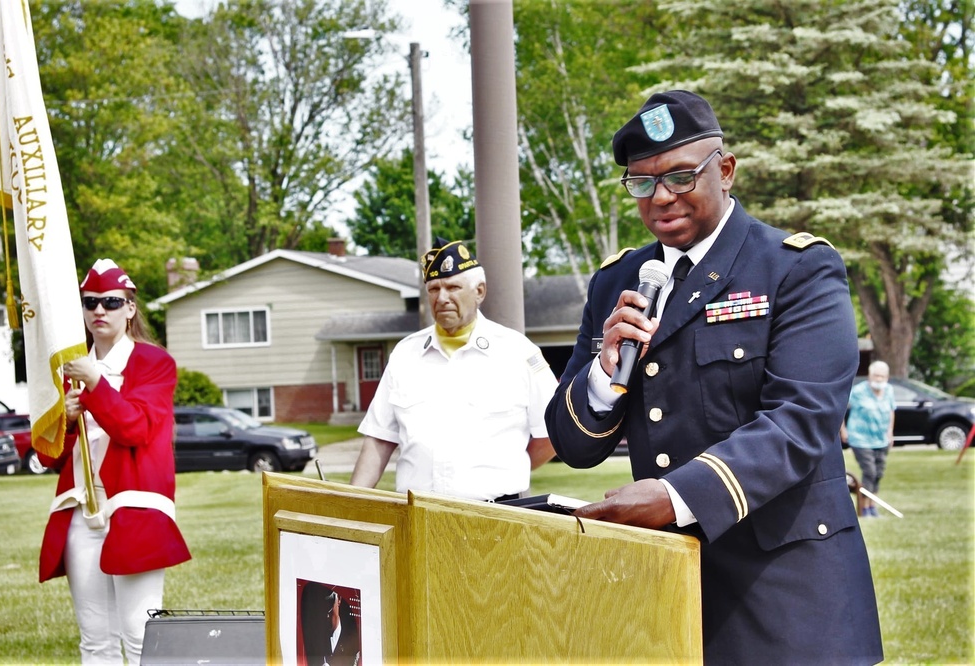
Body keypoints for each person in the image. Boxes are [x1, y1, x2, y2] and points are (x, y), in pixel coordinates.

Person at [544, 91, 883, 664]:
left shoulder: (795, 267)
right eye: (643, 183)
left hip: (787, 596)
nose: (661, 198)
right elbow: (573, 445)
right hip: (669, 592)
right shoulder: (618, 282)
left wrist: (674, 497)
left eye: (680, 176)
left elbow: (800, 424)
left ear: (725, 171)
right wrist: (604, 375)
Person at [39, 259, 191, 664]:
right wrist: (67, 422)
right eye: (90, 303)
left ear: (130, 308)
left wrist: (94, 383)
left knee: (142, 638)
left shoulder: (154, 363)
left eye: (110, 301)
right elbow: (45, 454)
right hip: (80, 512)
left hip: (135, 509)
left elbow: (135, 430)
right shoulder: (67, 368)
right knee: (95, 642)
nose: (99, 311)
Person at [350, 237, 558, 501]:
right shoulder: (405, 354)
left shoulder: (517, 352)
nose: (443, 297)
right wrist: (349, 504)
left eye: (453, 287)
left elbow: (550, 435)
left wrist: (509, 468)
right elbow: (379, 441)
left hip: (495, 516)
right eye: (434, 289)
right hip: (417, 515)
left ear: (479, 292)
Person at [842, 360, 896, 517]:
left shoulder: (889, 391)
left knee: (878, 474)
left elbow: (891, 411)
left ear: (887, 377)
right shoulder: (858, 391)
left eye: (882, 376)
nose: (879, 379)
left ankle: (872, 506)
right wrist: (843, 430)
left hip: (881, 439)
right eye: (876, 375)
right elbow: (840, 407)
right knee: (870, 472)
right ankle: (864, 507)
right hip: (860, 439)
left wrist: (890, 432)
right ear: (870, 375)